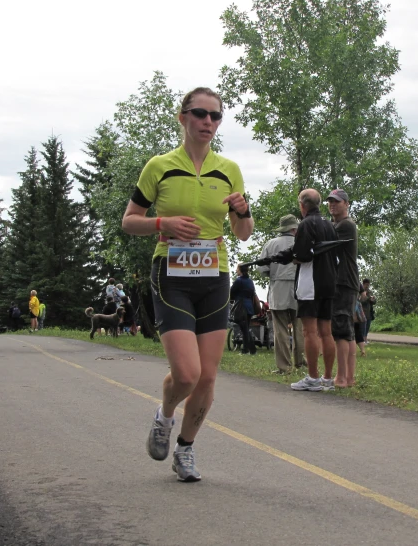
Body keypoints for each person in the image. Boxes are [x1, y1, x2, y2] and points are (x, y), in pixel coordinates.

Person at [121, 86, 253, 481]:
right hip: (171, 274)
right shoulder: (159, 166)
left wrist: (244, 212)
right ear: (183, 118)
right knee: (186, 374)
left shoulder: (228, 170)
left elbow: (243, 234)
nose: (208, 122)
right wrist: (164, 224)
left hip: (214, 273)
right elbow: (129, 221)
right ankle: (164, 416)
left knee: (208, 376)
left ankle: (186, 449)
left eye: (215, 117)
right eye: (200, 114)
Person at [290, 189, 339, 392]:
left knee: (309, 331)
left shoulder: (306, 224)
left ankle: (312, 377)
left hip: (311, 282)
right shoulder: (329, 225)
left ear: (303, 205)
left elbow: (302, 255)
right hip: (329, 281)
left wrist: (293, 257)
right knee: (326, 332)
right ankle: (328, 378)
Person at [257, 214, 305, 373]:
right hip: (300, 288)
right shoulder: (302, 243)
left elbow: (262, 268)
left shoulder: (271, 244)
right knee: (299, 328)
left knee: (281, 330)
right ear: (293, 229)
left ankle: (284, 366)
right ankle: (301, 362)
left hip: (278, 289)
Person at [326, 189, 359, 389]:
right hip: (346, 281)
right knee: (348, 330)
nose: (332, 205)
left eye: (337, 202)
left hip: (344, 281)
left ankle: (342, 378)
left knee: (340, 329)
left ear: (346, 204)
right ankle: (349, 377)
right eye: (330, 201)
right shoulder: (336, 225)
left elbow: (324, 238)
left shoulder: (345, 225)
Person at [230, 264, 257, 355]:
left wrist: (231, 300)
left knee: (244, 329)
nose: (236, 270)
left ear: (240, 270)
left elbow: (231, 291)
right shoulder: (250, 281)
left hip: (241, 306)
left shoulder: (239, 281)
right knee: (245, 328)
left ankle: (249, 350)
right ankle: (248, 349)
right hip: (249, 306)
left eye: (237, 269)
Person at [361, 278, 377, 342]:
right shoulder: (360, 291)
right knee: (363, 327)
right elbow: (361, 301)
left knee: (367, 326)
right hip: (362, 312)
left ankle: (365, 339)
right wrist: (368, 298)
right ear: (363, 284)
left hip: (369, 312)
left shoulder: (370, 292)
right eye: (366, 285)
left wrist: (373, 300)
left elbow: (374, 302)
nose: (367, 286)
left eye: (368, 285)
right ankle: (362, 340)